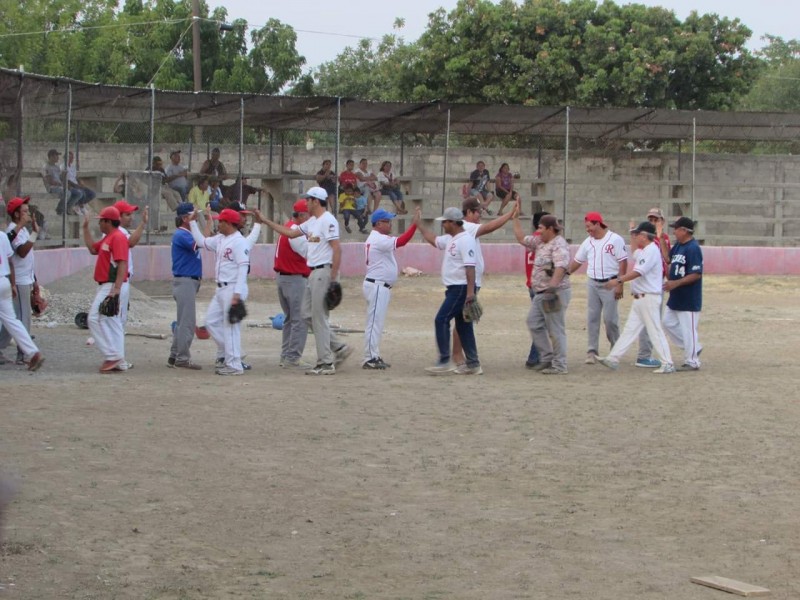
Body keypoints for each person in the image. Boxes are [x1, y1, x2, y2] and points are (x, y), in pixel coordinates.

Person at [260, 186, 352, 376]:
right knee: (306, 314)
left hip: (324, 271)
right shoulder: (313, 222)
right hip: (314, 272)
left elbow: (337, 249)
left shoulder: (327, 220)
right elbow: (291, 233)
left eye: (308, 200)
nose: (306, 203)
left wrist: (333, 279)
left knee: (317, 317)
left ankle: (326, 362)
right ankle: (338, 348)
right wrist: (265, 221)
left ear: (316, 201)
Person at [449, 197, 519, 373]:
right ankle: (458, 355)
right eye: (477, 212)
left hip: (467, 281)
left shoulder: (465, 228)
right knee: (463, 320)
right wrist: (510, 214)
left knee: (464, 319)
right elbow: (490, 227)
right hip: (466, 283)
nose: (480, 215)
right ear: (469, 212)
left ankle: (458, 354)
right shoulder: (467, 226)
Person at [598, 221, 675, 374]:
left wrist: (618, 280)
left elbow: (638, 272)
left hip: (649, 297)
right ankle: (613, 358)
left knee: (655, 330)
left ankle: (668, 363)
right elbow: (634, 252)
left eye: (638, 234)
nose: (636, 237)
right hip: (640, 298)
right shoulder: (645, 250)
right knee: (630, 330)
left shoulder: (652, 250)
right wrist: (632, 232)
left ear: (645, 236)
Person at [417, 207, 481, 375]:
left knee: (441, 319)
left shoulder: (465, 240)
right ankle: (473, 364)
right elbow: (434, 240)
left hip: (460, 288)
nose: (443, 224)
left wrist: (469, 292)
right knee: (463, 325)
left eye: (445, 222)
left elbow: (470, 268)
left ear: (453, 222)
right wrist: (419, 225)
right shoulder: (452, 238)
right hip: (455, 287)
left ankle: (444, 360)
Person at [188, 208, 250, 375]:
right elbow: (202, 242)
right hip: (221, 289)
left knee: (230, 327)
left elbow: (243, 267)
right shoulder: (221, 239)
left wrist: (237, 294)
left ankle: (234, 365)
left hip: (233, 287)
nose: (218, 223)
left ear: (229, 223)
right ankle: (234, 353)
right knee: (210, 322)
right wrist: (192, 222)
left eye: (221, 221)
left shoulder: (239, 241)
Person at [567, 211, 628, 365]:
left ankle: (616, 348)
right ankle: (592, 350)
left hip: (610, 282)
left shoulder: (615, 239)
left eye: (589, 226)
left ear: (597, 223)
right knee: (592, 317)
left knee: (610, 319)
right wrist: (565, 273)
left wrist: (620, 283)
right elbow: (577, 261)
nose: (588, 230)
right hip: (593, 282)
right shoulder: (588, 242)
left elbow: (623, 262)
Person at [514, 214, 571, 374]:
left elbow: (561, 267)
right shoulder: (540, 240)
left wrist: (552, 288)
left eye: (540, 228)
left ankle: (560, 365)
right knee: (533, 323)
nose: (537, 231)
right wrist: (514, 218)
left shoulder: (559, 244)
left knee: (555, 328)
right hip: (541, 292)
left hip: (555, 292)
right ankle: (546, 357)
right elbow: (521, 238)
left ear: (550, 229)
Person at [362, 207, 419, 369]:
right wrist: (414, 225)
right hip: (377, 285)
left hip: (379, 285)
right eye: (387, 221)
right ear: (379, 223)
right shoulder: (378, 239)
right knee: (374, 323)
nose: (390, 224)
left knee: (376, 323)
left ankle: (373, 355)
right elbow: (401, 241)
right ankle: (369, 358)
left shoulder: (377, 238)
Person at [82, 206, 129, 373]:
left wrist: (115, 289)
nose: (100, 223)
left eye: (101, 220)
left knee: (94, 318)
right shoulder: (110, 237)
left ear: (108, 221)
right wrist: (85, 229)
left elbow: (122, 263)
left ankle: (111, 356)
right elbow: (92, 249)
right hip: (107, 284)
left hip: (111, 284)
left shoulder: (117, 237)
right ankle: (119, 359)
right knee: (113, 322)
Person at [0, 197, 44, 370]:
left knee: (15, 319)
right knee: (13, 320)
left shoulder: (14, 233)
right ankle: (31, 353)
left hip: (16, 280)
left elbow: (21, 258)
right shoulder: (5, 234)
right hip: (7, 281)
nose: (28, 213)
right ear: (16, 214)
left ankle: (26, 353)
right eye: (24, 211)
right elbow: (16, 256)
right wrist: (11, 283)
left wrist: (34, 282)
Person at [273, 199, 312, 370]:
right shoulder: (296, 232)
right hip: (294, 279)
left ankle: (286, 355)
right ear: (303, 215)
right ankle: (292, 357)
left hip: (286, 278)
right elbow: (308, 252)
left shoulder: (289, 227)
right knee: (299, 319)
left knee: (291, 319)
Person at [663, 216, 704, 371]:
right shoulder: (679, 246)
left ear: (685, 231)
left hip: (689, 297)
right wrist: (661, 238)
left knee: (689, 329)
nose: (674, 232)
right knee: (667, 322)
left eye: (677, 229)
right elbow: (668, 259)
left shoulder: (693, 248)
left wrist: (676, 283)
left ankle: (693, 361)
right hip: (676, 296)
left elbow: (696, 274)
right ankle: (694, 346)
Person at [634, 207, 672, 368]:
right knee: (649, 319)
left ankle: (645, 354)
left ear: (662, 222)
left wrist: (660, 236)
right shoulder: (644, 240)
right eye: (650, 220)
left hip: (658, 281)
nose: (653, 223)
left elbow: (667, 258)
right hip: (649, 283)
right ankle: (644, 355)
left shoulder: (663, 238)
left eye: (656, 220)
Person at [167, 203, 203, 370]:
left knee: (183, 321)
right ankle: (182, 357)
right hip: (185, 280)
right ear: (184, 218)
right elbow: (199, 244)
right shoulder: (182, 234)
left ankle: (175, 355)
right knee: (187, 322)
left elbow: (205, 240)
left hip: (188, 280)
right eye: (191, 216)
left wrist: (208, 221)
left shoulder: (188, 233)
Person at [114, 199, 148, 370]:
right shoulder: (118, 232)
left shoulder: (119, 231)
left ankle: (116, 357)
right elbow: (131, 242)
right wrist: (143, 224)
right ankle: (117, 359)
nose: (130, 217)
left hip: (122, 280)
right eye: (127, 214)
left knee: (118, 321)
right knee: (118, 322)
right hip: (121, 281)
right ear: (118, 216)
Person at [523, 211, 549, 368]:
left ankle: (537, 357)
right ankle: (534, 358)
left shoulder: (531, 240)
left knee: (540, 321)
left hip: (531, 284)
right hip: (540, 286)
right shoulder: (542, 241)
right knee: (542, 322)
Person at [42, 148, 83, 215]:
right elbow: (50, 181)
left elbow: (60, 178)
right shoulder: (46, 167)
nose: (58, 157)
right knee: (68, 193)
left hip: (60, 186)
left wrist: (63, 175)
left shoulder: (57, 167)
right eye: (56, 155)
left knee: (79, 193)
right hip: (53, 187)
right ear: (51, 156)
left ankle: (68, 207)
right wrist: (61, 184)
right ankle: (60, 209)